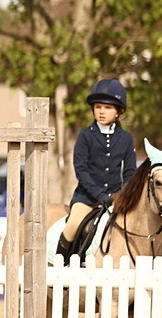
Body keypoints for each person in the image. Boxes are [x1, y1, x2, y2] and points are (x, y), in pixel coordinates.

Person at [55, 79, 137, 260]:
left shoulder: (126, 138)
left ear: (118, 111)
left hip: (116, 198)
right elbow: (81, 169)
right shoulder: (85, 135)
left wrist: (124, 194)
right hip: (87, 198)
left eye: (107, 107)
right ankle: (61, 265)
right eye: (98, 106)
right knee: (73, 226)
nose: (101, 111)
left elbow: (130, 171)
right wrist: (99, 194)